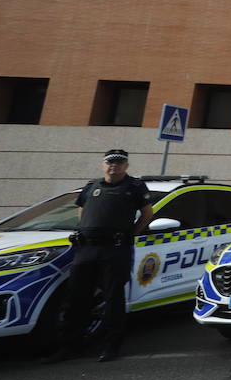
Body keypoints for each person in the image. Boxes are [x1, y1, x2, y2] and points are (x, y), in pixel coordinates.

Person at [43, 149, 154, 363]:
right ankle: (71, 346)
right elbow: (82, 211)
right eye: (110, 162)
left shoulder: (134, 187)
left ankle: (111, 346)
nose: (114, 166)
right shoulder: (91, 186)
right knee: (77, 298)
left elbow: (147, 215)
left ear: (126, 166)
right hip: (86, 249)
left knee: (113, 299)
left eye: (119, 162)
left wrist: (130, 234)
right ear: (103, 165)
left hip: (115, 249)